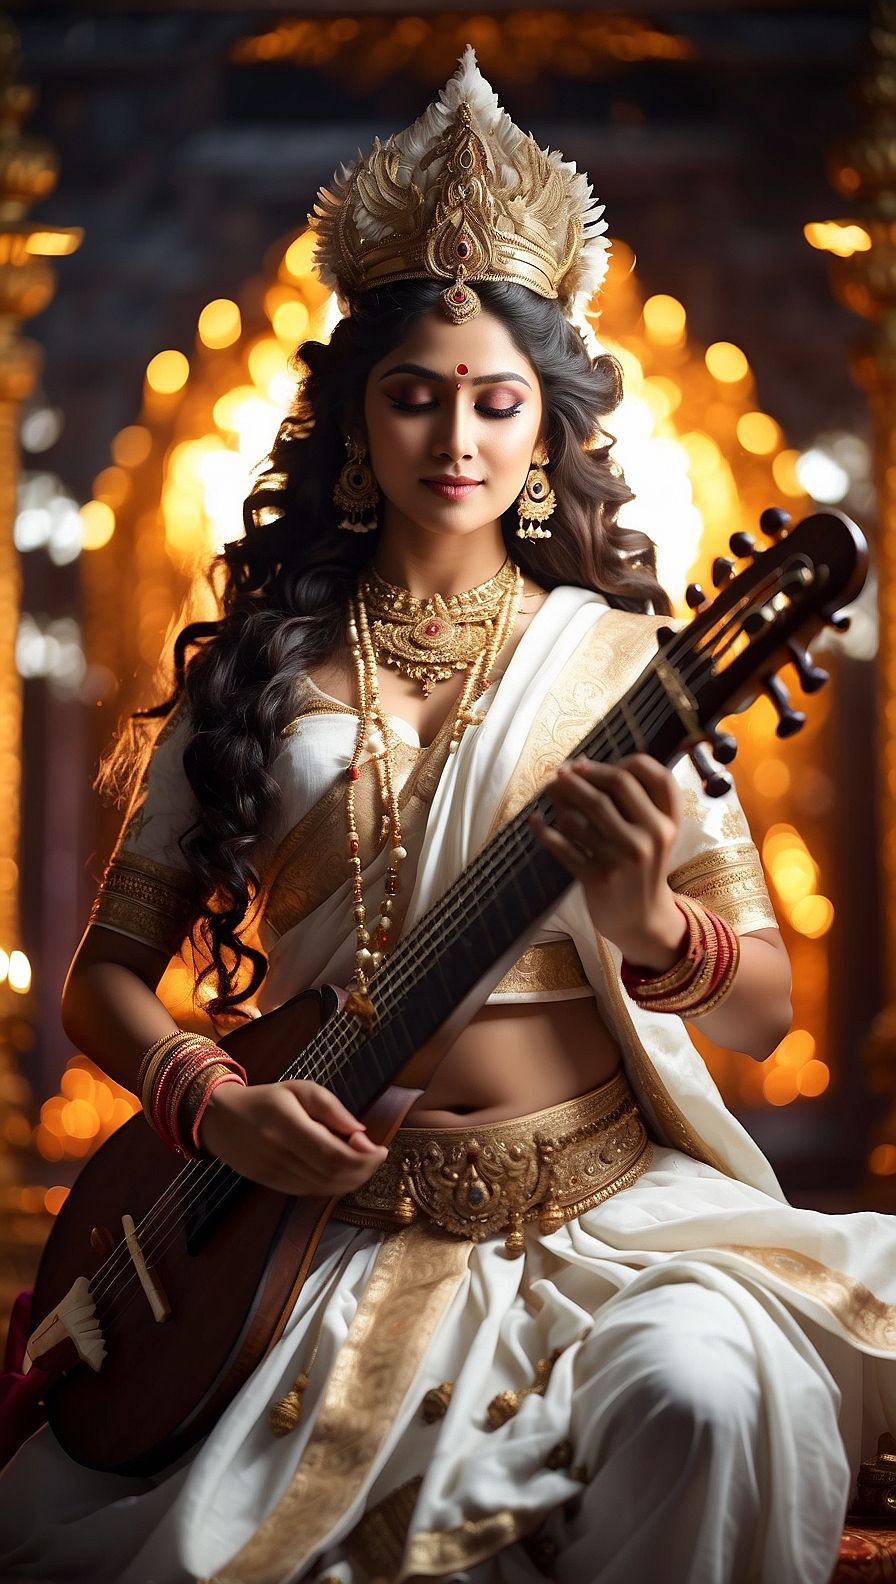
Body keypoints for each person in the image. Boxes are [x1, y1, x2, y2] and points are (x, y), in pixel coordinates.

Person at [1, 46, 894, 1584]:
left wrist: (647, 920)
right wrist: (214, 1108)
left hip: (604, 1217)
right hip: (307, 1232)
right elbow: (103, 981)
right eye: (416, 399)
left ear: (547, 429)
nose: (458, 439)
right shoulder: (258, 673)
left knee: (699, 1397)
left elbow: (758, 1009)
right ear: (358, 423)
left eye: (497, 403)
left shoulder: (625, 665)